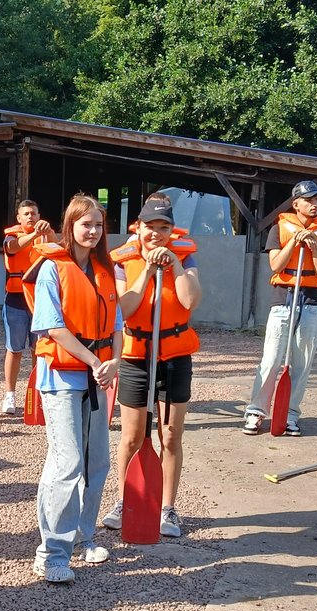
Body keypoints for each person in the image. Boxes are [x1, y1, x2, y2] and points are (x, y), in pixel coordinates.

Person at [27, 194, 140, 584]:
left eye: (97, 225)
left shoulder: (107, 271)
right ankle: (52, 553)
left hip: (100, 375)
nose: (92, 231)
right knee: (67, 462)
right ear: (70, 226)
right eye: (85, 224)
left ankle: (84, 535)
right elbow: (52, 327)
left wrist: (116, 362)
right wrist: (95, 362)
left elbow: (118, 328)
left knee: (96, 462)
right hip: (62, 376)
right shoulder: (51, 269)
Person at [102, 195, 202, 538]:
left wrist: (173, 263)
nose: (156, 234)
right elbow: (124, 310)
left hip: (174, 358)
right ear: (139, 227)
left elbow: (189, 300)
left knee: (170, 436)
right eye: (150, 227)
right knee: (131, 437)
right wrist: (146, 270)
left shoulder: (185, 256)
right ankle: (123, 499)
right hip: (136, 358)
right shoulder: (123, 261)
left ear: (172, 230)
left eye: (164, 227)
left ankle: (168, 508)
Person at [243, 181, 317, 436]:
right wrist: (294, 243)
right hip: (283, 300)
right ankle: (255, 411)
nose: (314, 204)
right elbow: (275, 265)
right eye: (309, 200)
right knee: (272, 359)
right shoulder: (278, 229)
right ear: (296, 204)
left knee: (302, 362)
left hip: (311, 302)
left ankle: (290, 414)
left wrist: (314, 245)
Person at [0, 200, 55, 414]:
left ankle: (38, 392)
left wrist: (48, 232)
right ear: (19, 218)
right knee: (14, 349)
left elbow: (60, 249)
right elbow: (12, 248)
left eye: (34, 213)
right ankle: (9, 395)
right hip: (16, 299)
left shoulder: (46, 233)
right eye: (26, 214)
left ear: (39, 214)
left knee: (38, 349)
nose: (31, 217)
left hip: (40, 299)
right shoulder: (12, 236)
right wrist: (33, 235)